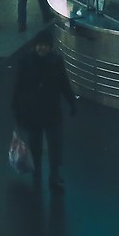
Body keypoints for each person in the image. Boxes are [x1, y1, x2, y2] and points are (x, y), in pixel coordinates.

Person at [10, 27, 76, 191]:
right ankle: (44, 173)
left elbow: (64, 83)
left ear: (50, 47)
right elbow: (18, 87)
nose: (42, 48)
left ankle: (49, 174)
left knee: (52, 144)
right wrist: (16, 107)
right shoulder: (29, 62)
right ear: (35, 45)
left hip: (45, 110)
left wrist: (72, 101)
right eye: (40, 45)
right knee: (39, 144)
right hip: (38, 110)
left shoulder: (52, 62)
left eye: (45, 45)